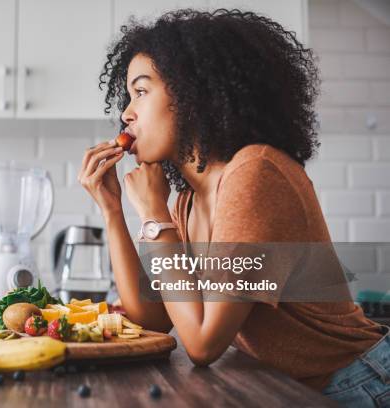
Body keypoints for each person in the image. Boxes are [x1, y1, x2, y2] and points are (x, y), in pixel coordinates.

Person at [78, 9, 389, 406]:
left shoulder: (254, 173)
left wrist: (155, 216)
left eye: (141, 91)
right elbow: (152, 318)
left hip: (362, 386)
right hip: (295, 389)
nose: (126, 112)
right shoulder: (189, 201)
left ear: (193, 93)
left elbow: (203, 344)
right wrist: (112, 211)